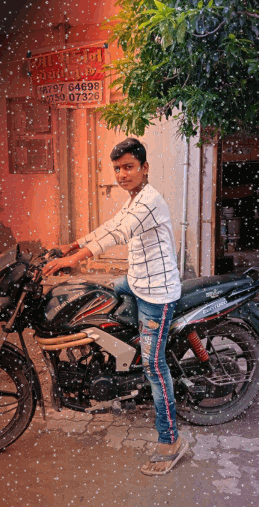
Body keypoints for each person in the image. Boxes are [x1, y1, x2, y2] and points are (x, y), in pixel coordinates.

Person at [43, 137, 188, 475]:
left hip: (156, 293)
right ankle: (119, 361)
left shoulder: (150, 201)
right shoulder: (135, 198)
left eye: (128, 167)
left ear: (144, 168)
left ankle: (171, 441)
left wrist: (74, 260)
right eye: (118, 169)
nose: (122, 174)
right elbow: (110, 226)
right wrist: (71, 245)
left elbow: (118, 235)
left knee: (154, 366)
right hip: (135, 280)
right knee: (95, 298)